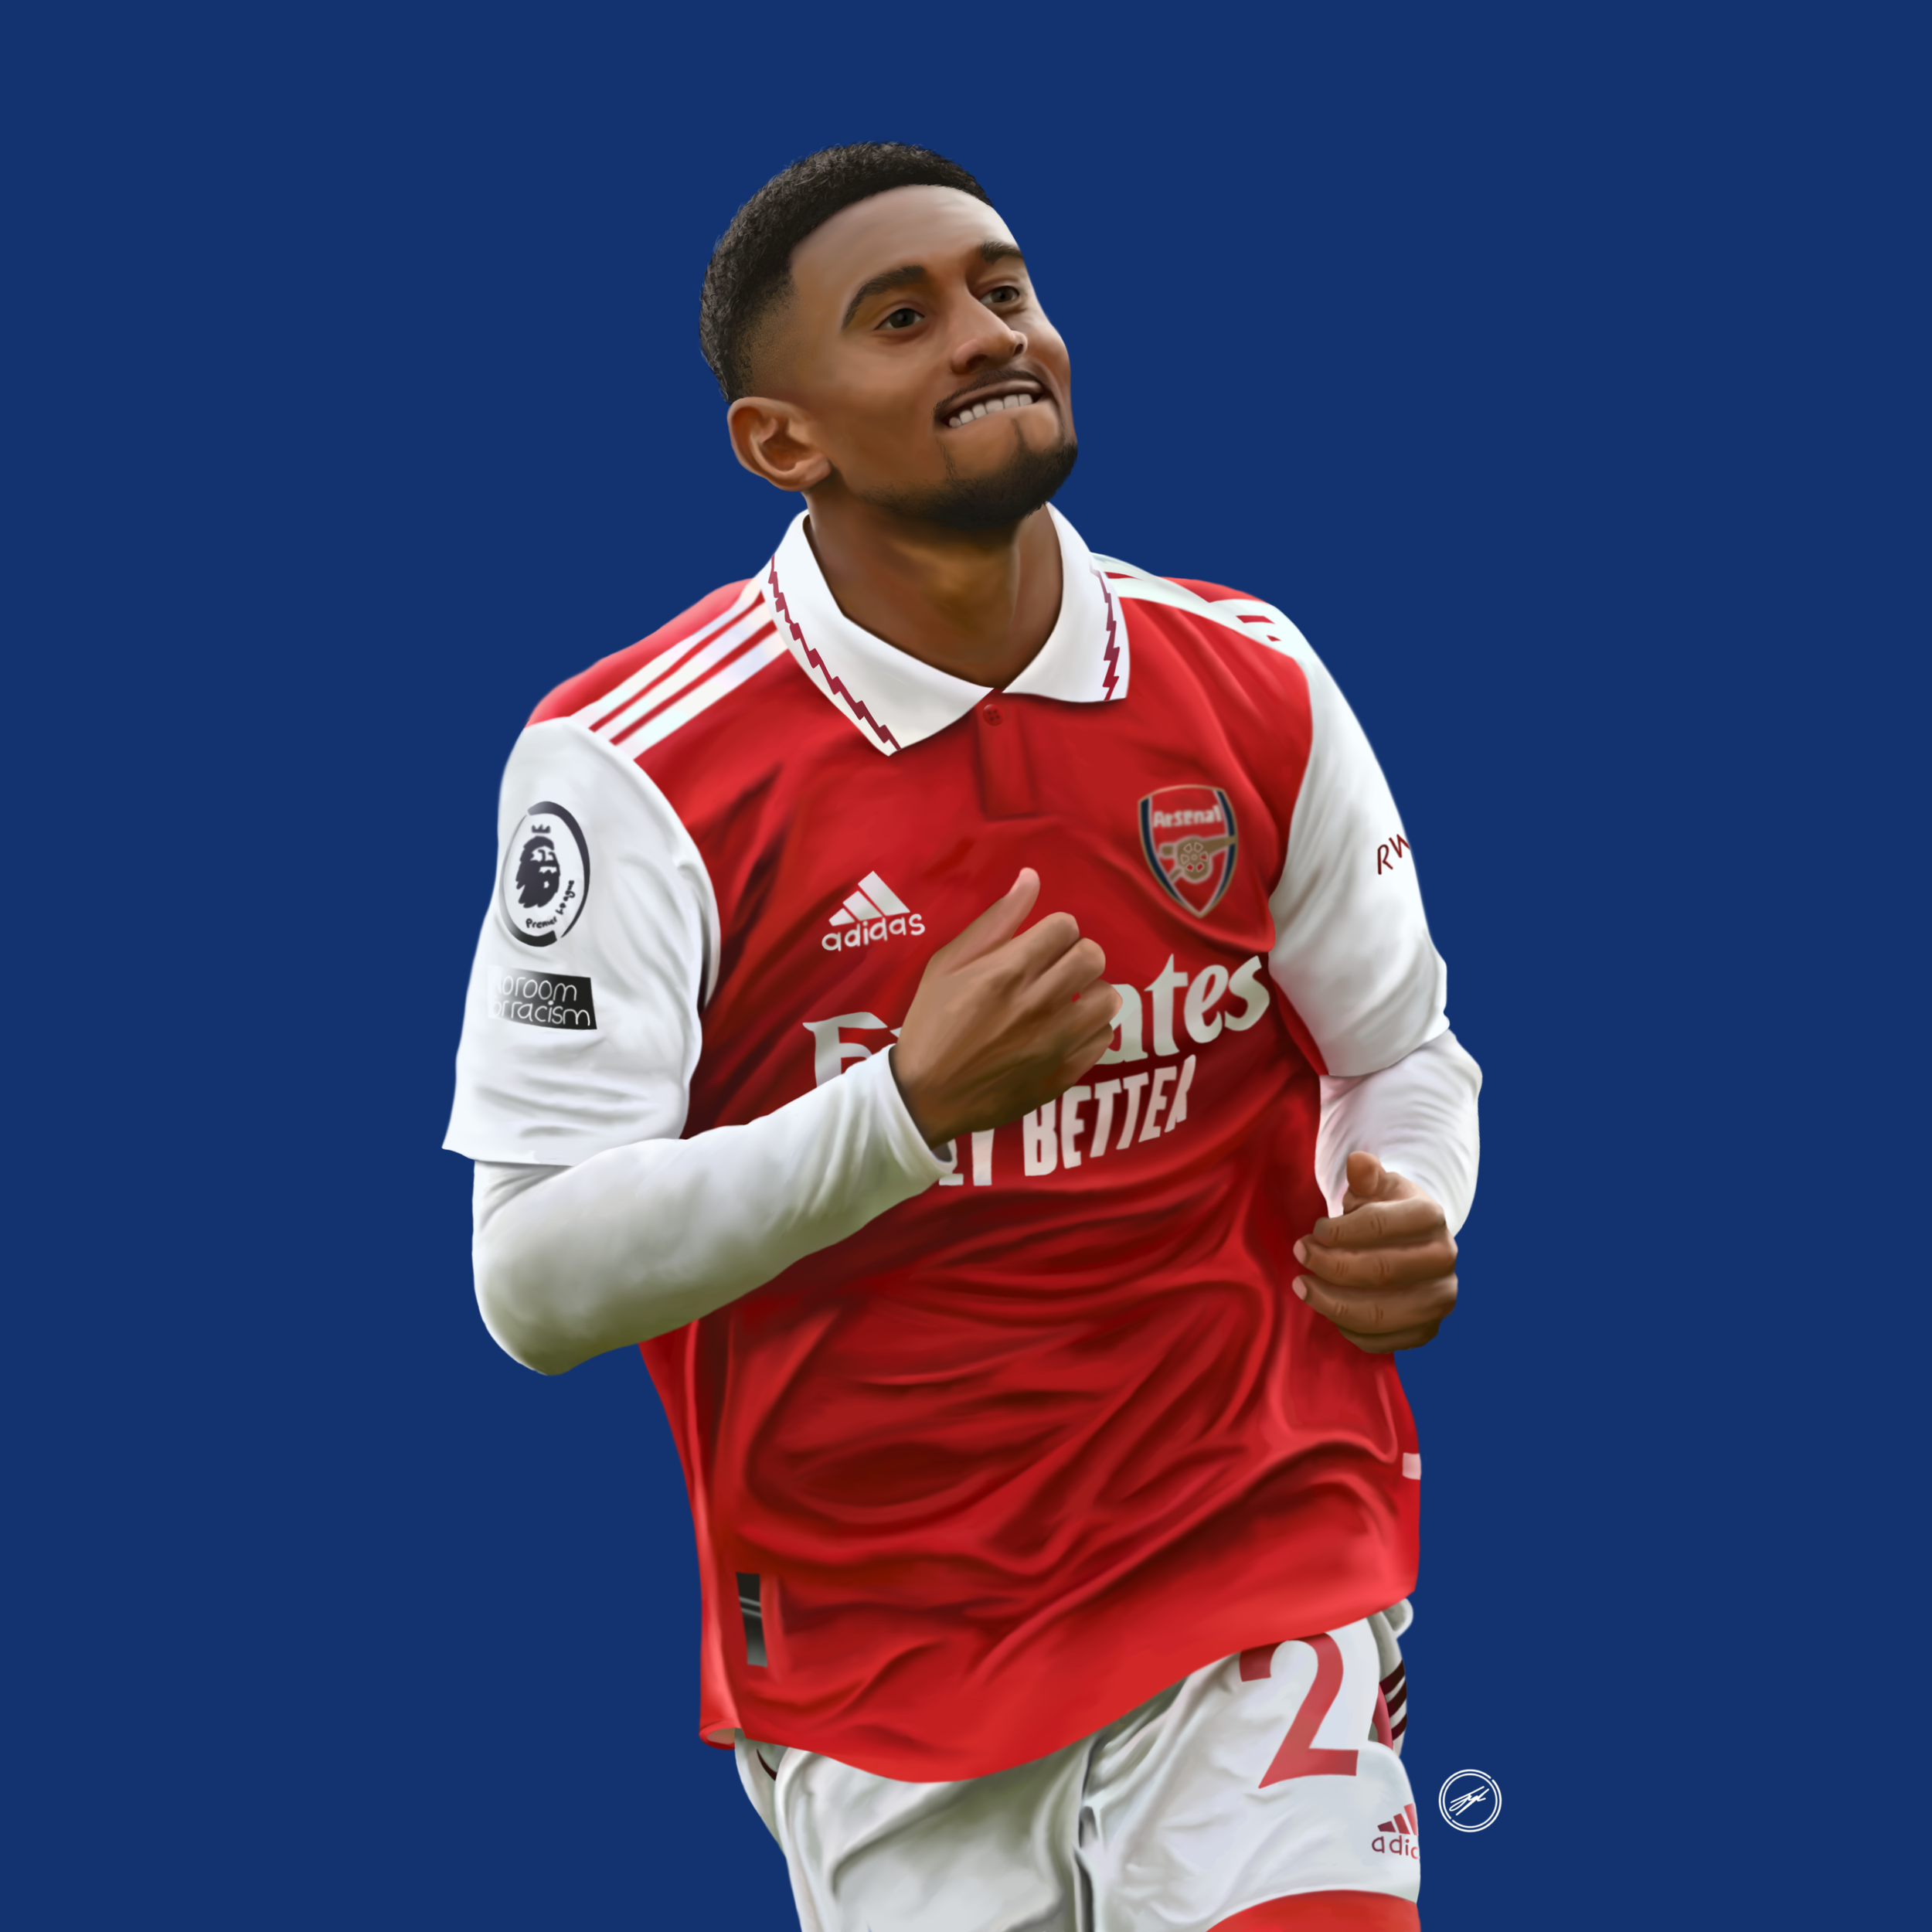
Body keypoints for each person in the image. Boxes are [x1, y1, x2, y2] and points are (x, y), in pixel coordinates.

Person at [444, 142, 1481, 1932]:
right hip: (879, 1636)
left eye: (1003, 290)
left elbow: (1401, 1048)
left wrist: (1408, 1200)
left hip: (1249, 1525)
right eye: (902, 317)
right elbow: (533, 1278)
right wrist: (904, 1107)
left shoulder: (1247, 677)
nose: (984, 336)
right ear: (785, 440)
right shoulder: (632, 768)